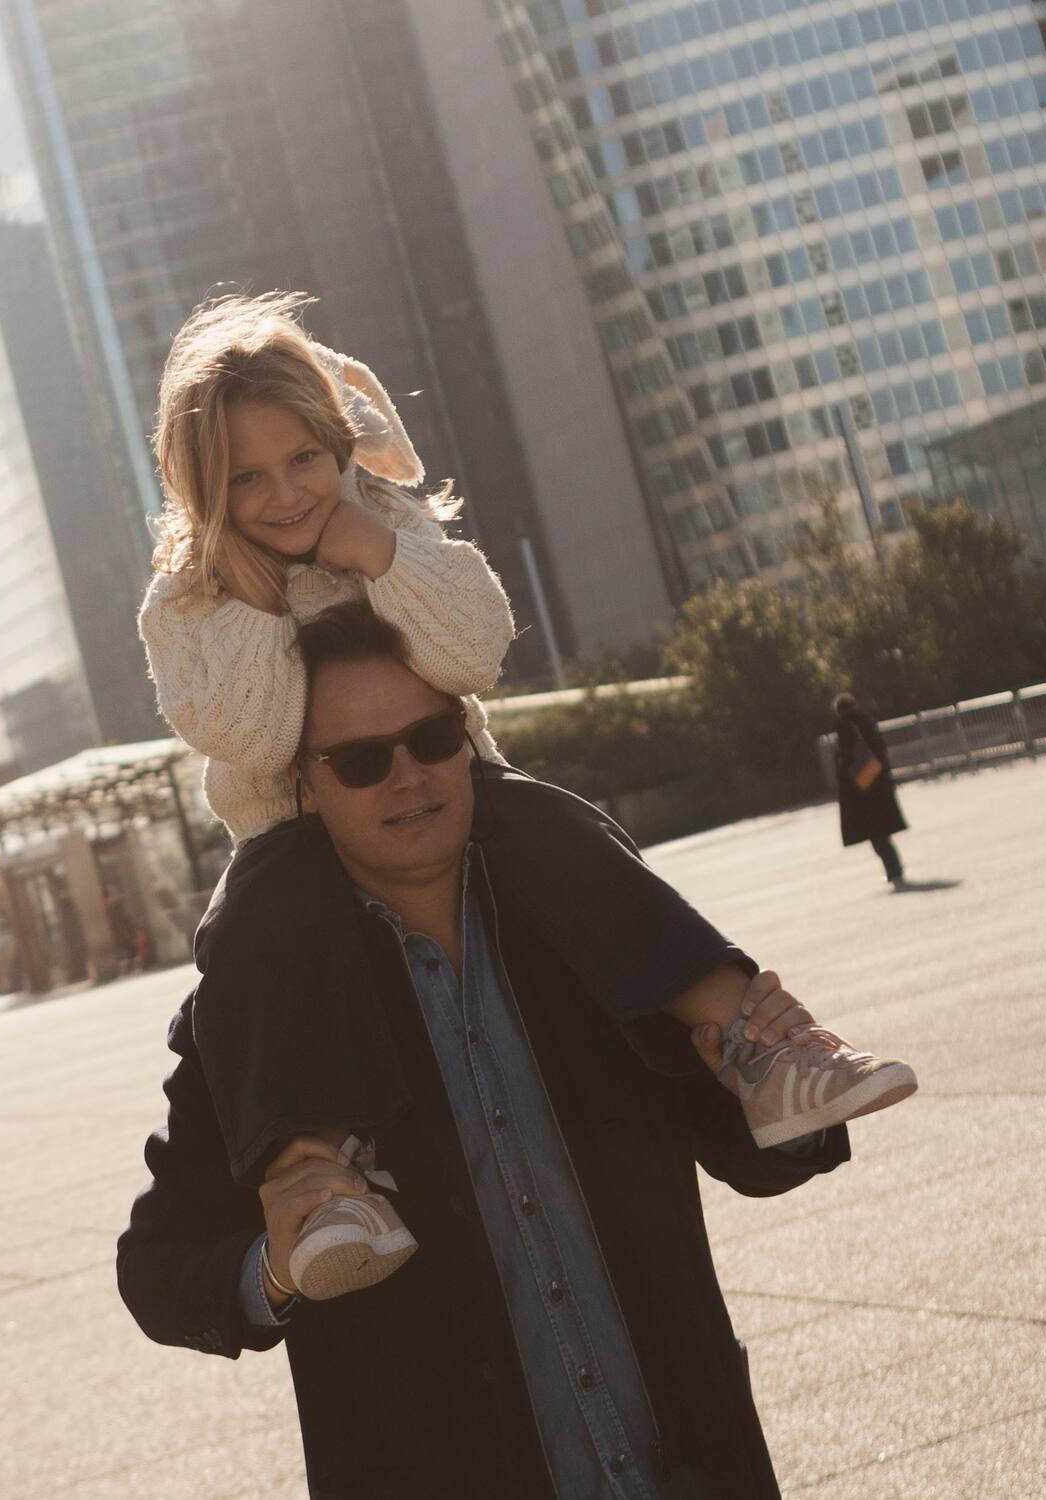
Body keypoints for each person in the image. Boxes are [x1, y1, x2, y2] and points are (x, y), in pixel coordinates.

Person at [137, 292, 913, 1299]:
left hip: (456, 804)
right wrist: (266, 590)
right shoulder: (191, 598)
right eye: (245, 478)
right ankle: (318, 1182)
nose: (286, 496)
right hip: (298, 840)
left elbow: (473, 649)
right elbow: (248, 730)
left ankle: (763, 1049)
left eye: (303, 459)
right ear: (204, 490)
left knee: (552, 823)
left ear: (340, 445)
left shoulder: (388, 529)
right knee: (253, 914)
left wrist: (374, 550)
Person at [122, 603, 863, 1498]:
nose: (409, 779)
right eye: (361, 762)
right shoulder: (266, 1010)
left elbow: (757, 1156)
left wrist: (772, 1081)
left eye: (432, 740)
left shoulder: (588, 931)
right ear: (304, 787)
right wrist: (276, 1269)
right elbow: (157, 1270)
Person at [832, 693, 909, 887]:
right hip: (879, 781)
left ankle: (894, 870)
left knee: (876, 835)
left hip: (862, 786)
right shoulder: (867, 722)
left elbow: (846, 758)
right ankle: (895, 868)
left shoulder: (845, 726)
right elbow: (880, 751)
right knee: (882, 831)